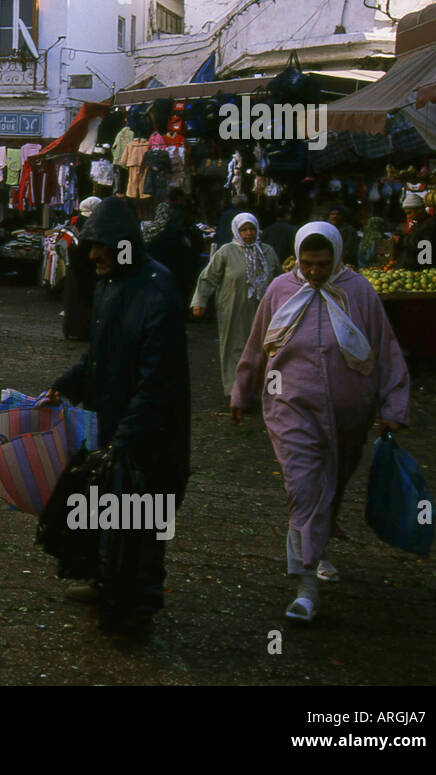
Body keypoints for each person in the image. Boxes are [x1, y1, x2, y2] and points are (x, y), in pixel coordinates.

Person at [231, 223, 409, 623]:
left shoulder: (359, 292)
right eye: (308, 265)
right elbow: (258, 343)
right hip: (290, 406)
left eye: (324, 265)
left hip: (350, 414)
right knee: (304, 484)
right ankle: (306, 585)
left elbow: (385, 350)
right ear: (298, 258)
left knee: (333, 481)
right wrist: (242, 390)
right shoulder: (279, 290)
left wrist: (394, 406)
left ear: (338, 258)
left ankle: (320, 543)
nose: (314, 273)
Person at [42, 196, 191, 635]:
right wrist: (67, 383)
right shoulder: (109, 285)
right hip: (115, 428)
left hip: (152, 438)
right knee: (110, 513)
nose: (92, 255)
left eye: (99, 246)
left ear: (121, 244)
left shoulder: (157, 290)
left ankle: (136, 610)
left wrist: (125, 438)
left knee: (143, 525)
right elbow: (99, 356)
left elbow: (158, 383)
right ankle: (106, 585)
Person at [191, 212, 279, 399]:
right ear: (237, 231)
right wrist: (200, 301)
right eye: (244, 230)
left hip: (262, 307)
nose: (249, 234)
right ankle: (235, 391)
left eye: (252, 229)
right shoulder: (226, 251)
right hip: (233, 306)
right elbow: (208, 277)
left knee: (263, 348)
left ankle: (259, 390)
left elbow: (279, 279)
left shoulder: (267, 251)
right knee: (234, 346)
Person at [61, 196, 101, 340]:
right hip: (87, 268)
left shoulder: (73, 223)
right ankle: (83, 331)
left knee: (73, 300)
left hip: (73, 267)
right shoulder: (92, 225)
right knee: (85, 301)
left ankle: (71, 330)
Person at [145, 201, 195, 314]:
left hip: (153, 268)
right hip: (173, 267)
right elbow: (184, 248)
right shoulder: (174, 229)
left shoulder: (149, 228)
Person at [395, 192, 436, 270]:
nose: (408, 216)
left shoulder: (430, 224)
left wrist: (401, 240)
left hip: (422, 269)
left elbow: (424, 246)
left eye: (409, 213)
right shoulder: (419, 223)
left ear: (420, 210)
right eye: (407, 214)